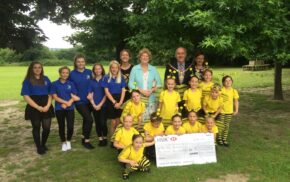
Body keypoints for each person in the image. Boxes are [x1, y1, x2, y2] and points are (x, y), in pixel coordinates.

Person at [21, 61, 55, 155]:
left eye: (39, 67)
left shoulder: (46, 78)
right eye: (35, 67)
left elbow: (50, 93)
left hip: (46, 105)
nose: (37, 69)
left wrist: (48, 105)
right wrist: (37, 107)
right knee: (36, 127)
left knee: (47, 128)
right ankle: (39, 147)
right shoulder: (28, 81)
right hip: (33, 106)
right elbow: (26, 96)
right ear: (31, 69)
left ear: (42, 68)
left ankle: (43, 144)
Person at [69, 54, 94, 149]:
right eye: (78, 61)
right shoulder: (72, 74)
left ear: (85, 62)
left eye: (82, 61)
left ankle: (83, 137)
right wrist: (73, 96)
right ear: (75, 63)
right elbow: (68, 86)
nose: (80, 63)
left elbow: (93, 84)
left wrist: (91, 94)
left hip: (89, 100)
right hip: (79, 102)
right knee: (89, 119)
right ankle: (86, 141)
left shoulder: (89, 72)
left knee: (86, 120)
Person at [51, 66, 79, 151]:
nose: (65, 74)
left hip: (70, 108)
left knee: (70, 126)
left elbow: (74, 96)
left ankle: (68, 140)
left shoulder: (71, 83)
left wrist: (68, 103)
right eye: (63, 72)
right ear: (60, 73)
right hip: (59, 108)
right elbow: (55, 97)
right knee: (61, 126)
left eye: (67, 73)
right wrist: (65, 102)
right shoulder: (54, 84)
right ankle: (63, 142)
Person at [128, 48, 162, 120]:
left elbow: (159, 84)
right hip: (138, 99)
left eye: (147, 56)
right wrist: (140, 90)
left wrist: (152, 90)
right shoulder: (135, 68)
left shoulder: (153, 69)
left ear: (149, 58)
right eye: (143, 56)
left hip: (151, 99)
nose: (145, 57)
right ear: (140, 58)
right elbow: (130, 84)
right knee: (139, 120)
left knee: (150, 120)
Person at [102, 60, 126, 135]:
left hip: (120, 99)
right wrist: (114, 102)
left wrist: (120, 102)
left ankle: (118, 138)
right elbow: (106, 91)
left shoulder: (121, 77)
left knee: (118, 121)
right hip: (111, 100)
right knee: (113, 122)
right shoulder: (106, 77)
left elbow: (123, 90)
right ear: (110, 68)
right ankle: (112, 139)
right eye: (112, 67)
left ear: (118, 68)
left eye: (116, 67)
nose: (114, 69)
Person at [87, 63, 108, 146]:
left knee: (103, 122)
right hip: (94, 105)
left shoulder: (105, 79)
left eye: (99, 69)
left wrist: (100, 105)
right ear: (94, 71)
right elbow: (90, 95)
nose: (97, 70)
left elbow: (106, 94)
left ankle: (105, 138)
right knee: (97, 122)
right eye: (96, 69)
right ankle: (100, 138)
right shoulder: (91, 81)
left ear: (102, 69)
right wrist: (94, 105)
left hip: (103, 105)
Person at [216, 75, 239, 146]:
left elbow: (236, 101)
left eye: (229, 80)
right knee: (220, 125)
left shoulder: (234, 91)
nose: (228, 82)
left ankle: (224, 139)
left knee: (226, 125)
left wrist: (236, 110)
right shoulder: (221, 90)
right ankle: (219, 138)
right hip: (221, 111)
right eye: (226, 81)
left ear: (232, 82)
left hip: (229, 111)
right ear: (223, 83)